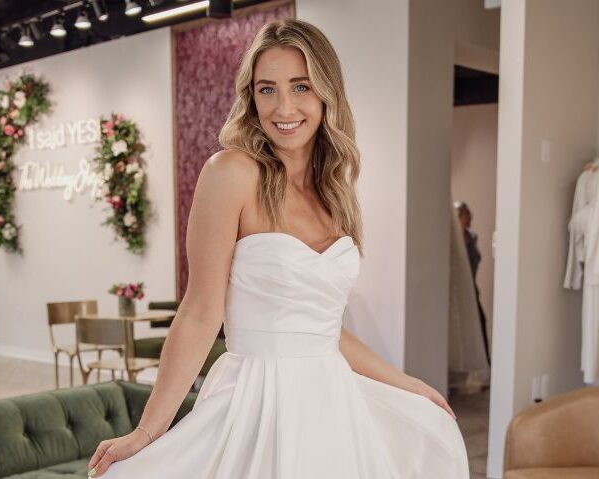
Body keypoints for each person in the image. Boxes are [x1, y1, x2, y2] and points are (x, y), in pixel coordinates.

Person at [88, 19, 469, 478]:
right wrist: (147, 432)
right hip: (257, 402)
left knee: (432, 434)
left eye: (300, 86)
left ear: (327, 92)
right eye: (266, 89)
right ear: (251, 97)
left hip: (333, 406)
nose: (283, 106)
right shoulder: (231, 173)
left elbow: (324, 331)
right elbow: (199, 312)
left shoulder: (335, 194)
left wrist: (406, 383)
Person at [456, 201, 491, 365]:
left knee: (480, 322)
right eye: (467, 214)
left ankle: (483, 364)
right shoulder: (455, 241)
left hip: (472, 288)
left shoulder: (472, 238)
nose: (470, 217)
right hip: (459, 291)